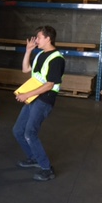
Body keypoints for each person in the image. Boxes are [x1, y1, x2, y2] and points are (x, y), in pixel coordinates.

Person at [12, 25, 65, 181]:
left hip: (45, 99)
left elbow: (49, 84)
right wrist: (28, 50)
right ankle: (34, 157)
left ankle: (47, 169)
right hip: (34, 97)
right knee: (18, 130)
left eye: (39, 37)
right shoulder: (40, 54)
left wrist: (27, 94)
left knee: (30, 132)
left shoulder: (56, 59)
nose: (36, 40)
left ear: (48, 38)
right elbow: (25, 69)